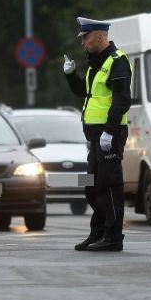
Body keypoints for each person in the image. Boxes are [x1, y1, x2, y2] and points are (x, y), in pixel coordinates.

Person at [63, 16, 132, 252]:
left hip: (109, 136)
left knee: (110, 186)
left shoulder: (117, 62)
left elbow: (122, 101)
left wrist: (109, 133)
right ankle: (99, 232)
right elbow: (84, 92)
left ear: (100, 37)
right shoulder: (97, 64)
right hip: (95, 138)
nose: (83, 43)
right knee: (92, 187)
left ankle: (113, 238)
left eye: (86, 38)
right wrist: (71, 75)